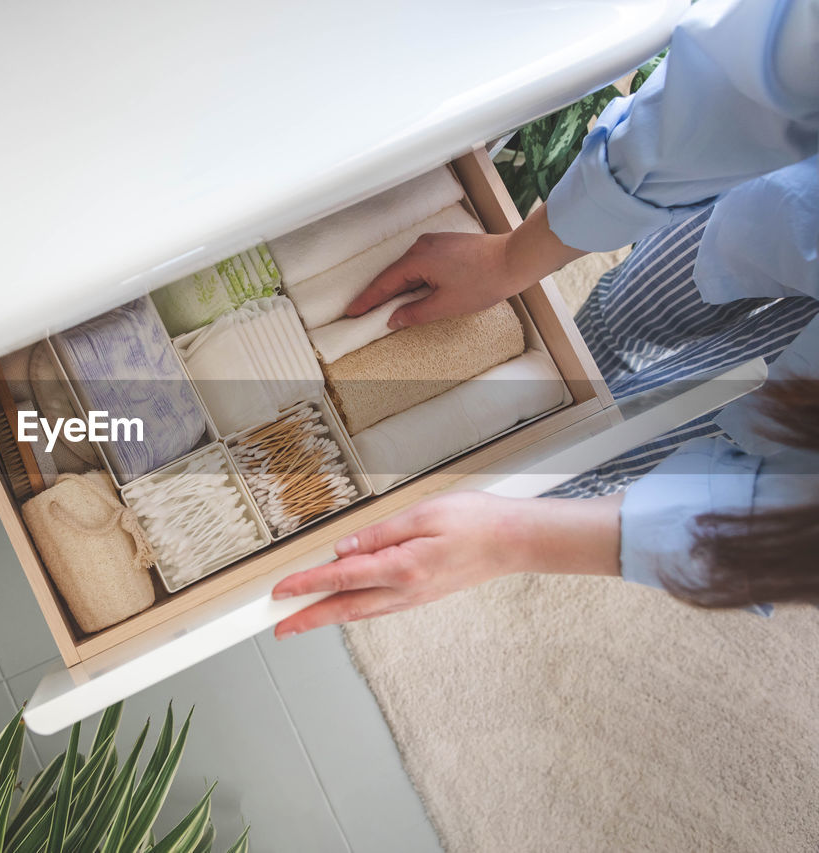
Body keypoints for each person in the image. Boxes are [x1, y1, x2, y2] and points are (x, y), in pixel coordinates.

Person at [272, 0, 819, 638]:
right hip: (790, 201)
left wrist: (516, 537)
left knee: (627, 446)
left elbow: (780, 526)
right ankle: (558, 405)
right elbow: (742, 89)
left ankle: (555, 463)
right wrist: (513, 257)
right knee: (625, 314)